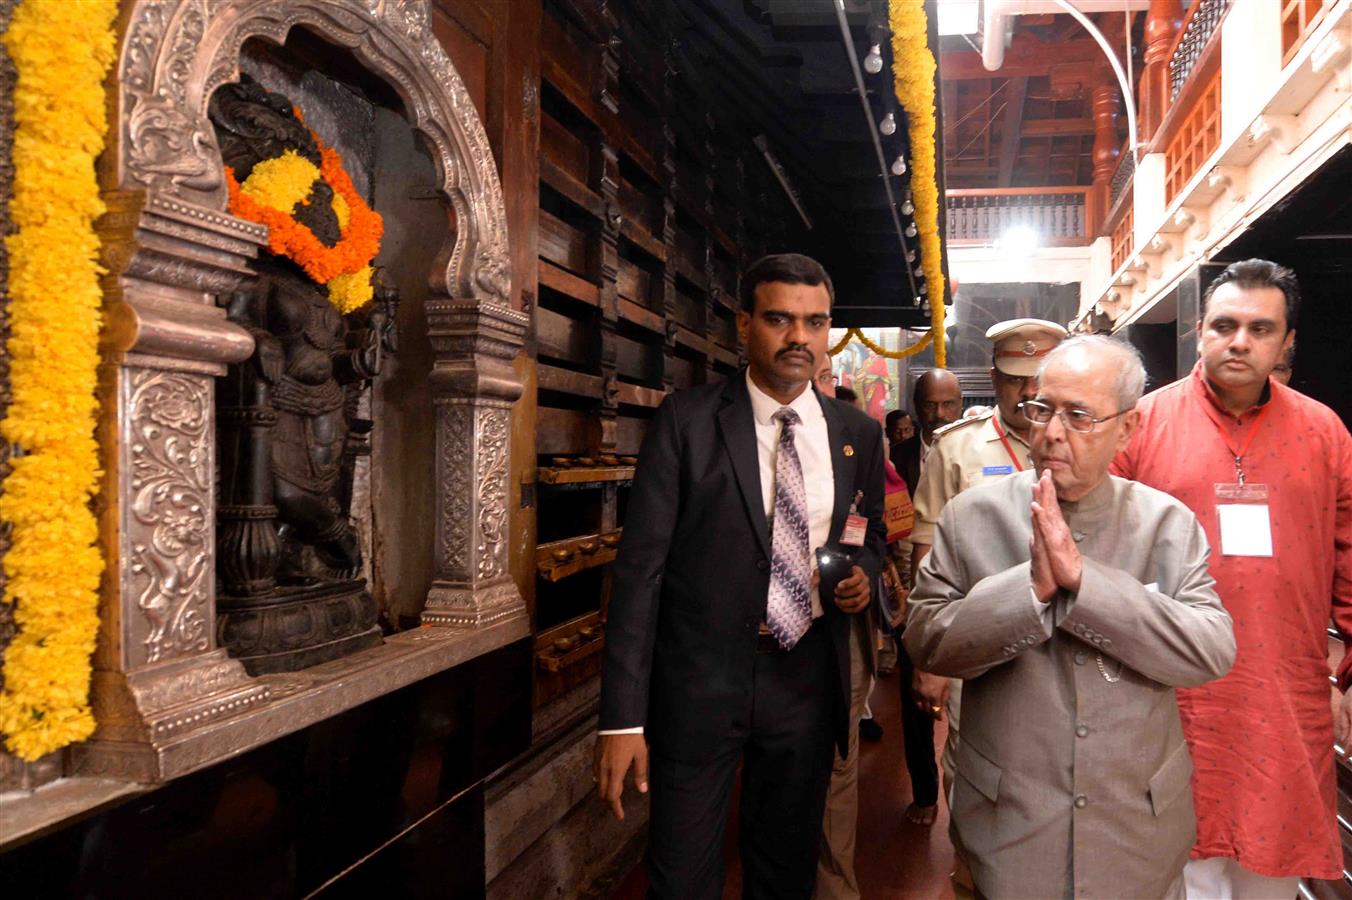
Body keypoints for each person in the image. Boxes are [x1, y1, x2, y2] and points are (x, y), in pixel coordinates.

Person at [595, 253, 887, 899]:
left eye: (815, 323)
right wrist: (621, 719)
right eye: (780, 319)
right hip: (700, 681)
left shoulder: (857, 436)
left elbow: (871, 536)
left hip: (806, 677)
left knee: (784, 870)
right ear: (745, 324)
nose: (799, 339)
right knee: (680, 873)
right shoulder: (688, 421)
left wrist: (863, 573)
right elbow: (640, 572)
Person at [906, 335, 1237, 899]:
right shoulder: (972, 519)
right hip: (1008, 827)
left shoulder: (1165, 525)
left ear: (1126, 428)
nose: (1052, 432)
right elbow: (927, 643)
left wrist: (1088, 583)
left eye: (1078, 416)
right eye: (1043, 409)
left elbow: (1210, 649)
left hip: (1137, 830)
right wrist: (1027, 591)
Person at [1110, 259, 1352, 898]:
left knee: (1267, 874)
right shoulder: (1142, 425)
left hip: (1281, 695)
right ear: (1199, 331)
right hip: (1169, 695)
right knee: (1169, 868)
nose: (1239, 341)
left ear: (1286, 342)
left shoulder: (1324, 433)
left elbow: (1351, 556)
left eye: (1259, 328)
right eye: (1224, 325)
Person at [907, 321, 1068, 816]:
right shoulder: (956, 449)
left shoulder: (1079, 442)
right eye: (1017, 379)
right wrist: (929, 659)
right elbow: (926, 552)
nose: (1030, 391)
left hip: (1067, 636)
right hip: (980, 632)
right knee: (975, 767)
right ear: (994, 380)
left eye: (1040, 377)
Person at [891, 369, 961, 494]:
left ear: (961, 404)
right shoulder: (896, 457)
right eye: (930, 405)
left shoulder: (979, 452)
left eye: (948, 404)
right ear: (916, 406)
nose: (939, 413)